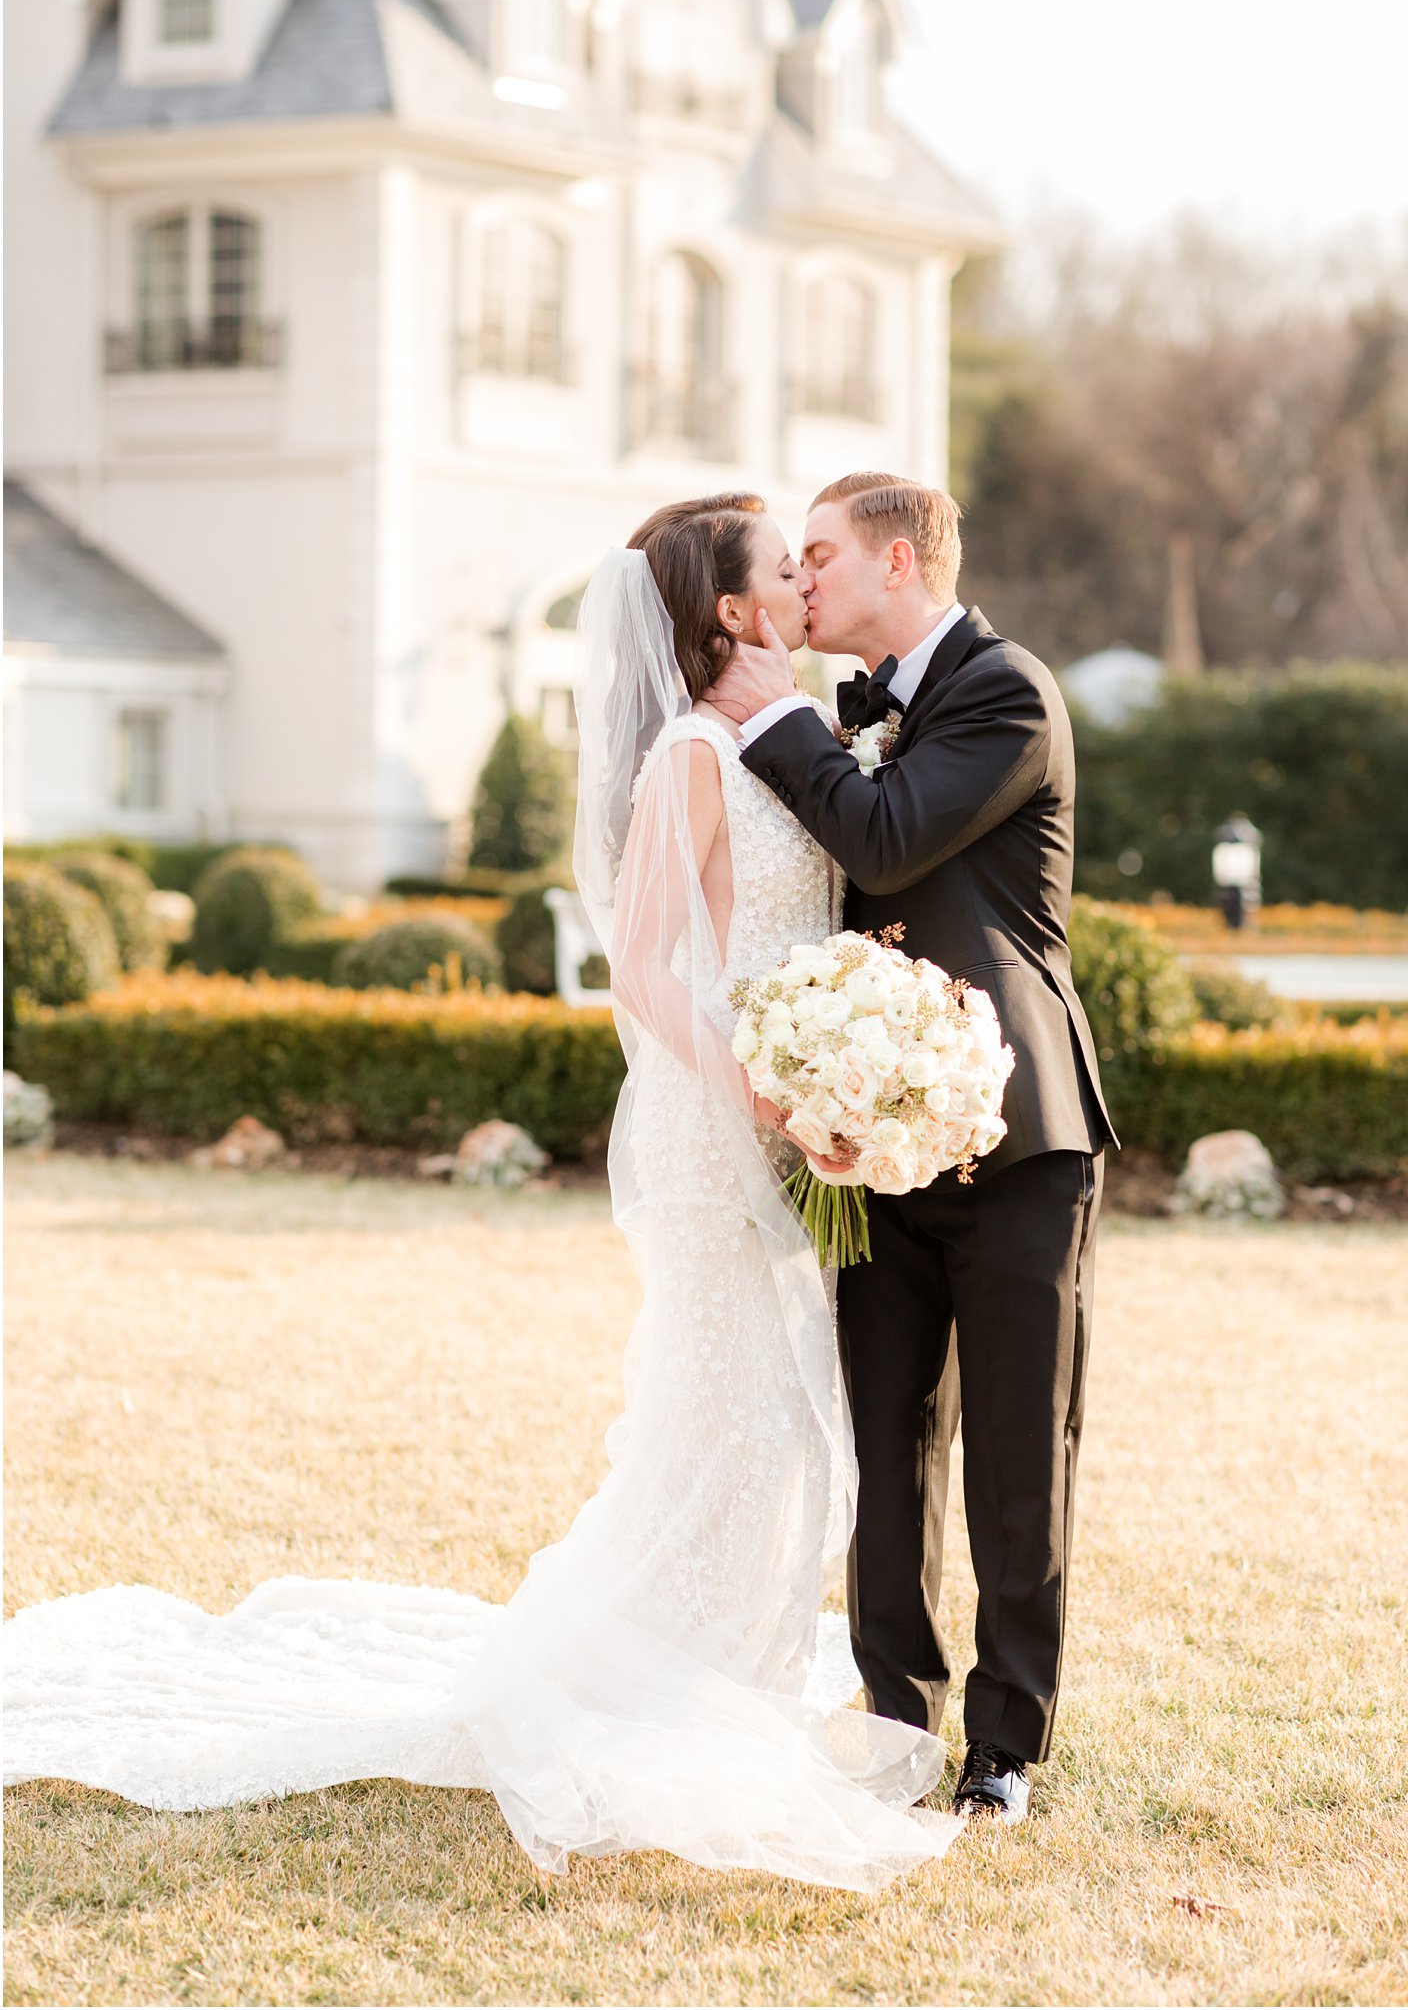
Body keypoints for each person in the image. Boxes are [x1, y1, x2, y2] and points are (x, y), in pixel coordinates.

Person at [3, 492, 962, 1894]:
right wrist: (761, 1084)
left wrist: (835, 1078)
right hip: (719, 1128)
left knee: (782, 1421)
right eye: (781, 575)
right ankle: (663, 1686)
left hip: (789, 1124)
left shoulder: (790, 747)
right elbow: (646, 969)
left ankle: (727, 1670)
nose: (807, 594)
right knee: (735, 1413)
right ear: (733, 616)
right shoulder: (690, 757)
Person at [707, 471, 1116, 1825]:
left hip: (1017, 1138)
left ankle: (1001, 1745)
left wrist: (764, 713)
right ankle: (895, 1715)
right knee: (885, 1434)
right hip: (868, 1141)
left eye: (819, 557)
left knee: (1012, 1439)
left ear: (898, 561)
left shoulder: (1009, 691)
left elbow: (886, 827)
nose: (801, 581)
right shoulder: (844, 716)